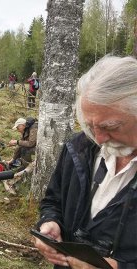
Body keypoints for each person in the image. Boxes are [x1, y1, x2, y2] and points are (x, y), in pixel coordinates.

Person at [33, 55, 137, 269]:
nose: (98, 139)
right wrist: (49, 222)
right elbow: (53, 199)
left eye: (110, 127)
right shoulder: (78, 148)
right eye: (90, 125)